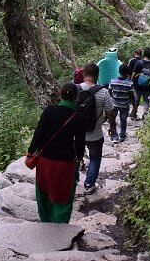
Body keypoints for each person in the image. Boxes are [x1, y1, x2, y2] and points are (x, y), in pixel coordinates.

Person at [27, 83, 87, 223]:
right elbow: (80, 143)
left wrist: (30, 152)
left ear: (61, 95)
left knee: (43, 191)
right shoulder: (78, 117)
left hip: (45, 162)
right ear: (76, 97)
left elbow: (38, 134)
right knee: (64, 195)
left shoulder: (49, 111)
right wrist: (79, 158)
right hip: (65, 164)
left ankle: (46, 222)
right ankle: (60, 227)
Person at [77, 63, 116, 195]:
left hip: (76, 133)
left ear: (83, 74)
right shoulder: (103, 92)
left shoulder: (75, 89)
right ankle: (88, 184)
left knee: (74, 156)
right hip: (95, 134)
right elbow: (110, 112)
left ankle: (71, 181)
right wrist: (112, 127)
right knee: (94, 158)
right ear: (97, 76)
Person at [108, 63, 134, 143]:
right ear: (127, 73)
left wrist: (113, 98)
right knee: (123, 120)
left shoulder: (113, 81)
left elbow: (109, 92)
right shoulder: (130, 83)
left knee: (112, 120)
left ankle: (114, 136)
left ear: (119, 71)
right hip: (124, 105)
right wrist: (134, 105)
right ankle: (122, 135)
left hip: (114, 104)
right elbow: (131, 95)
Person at [133, 47, 150, 119]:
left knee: (136, 100)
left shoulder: (139, 62)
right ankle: (145, 115)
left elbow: (134, 74)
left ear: (144, 54)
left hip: (138, 86)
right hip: (148, 86)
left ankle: (134, 113)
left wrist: (132, 81)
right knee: (146, 101)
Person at [127, 49, 144, 119]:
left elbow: (129, 71)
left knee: (134, 97)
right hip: (141, 81)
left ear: (134, 53)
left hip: (133, 81)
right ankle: (134, 112)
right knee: (138, 97)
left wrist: (128, 80)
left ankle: (133, 112)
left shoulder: (132, 61)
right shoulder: (142, 61)